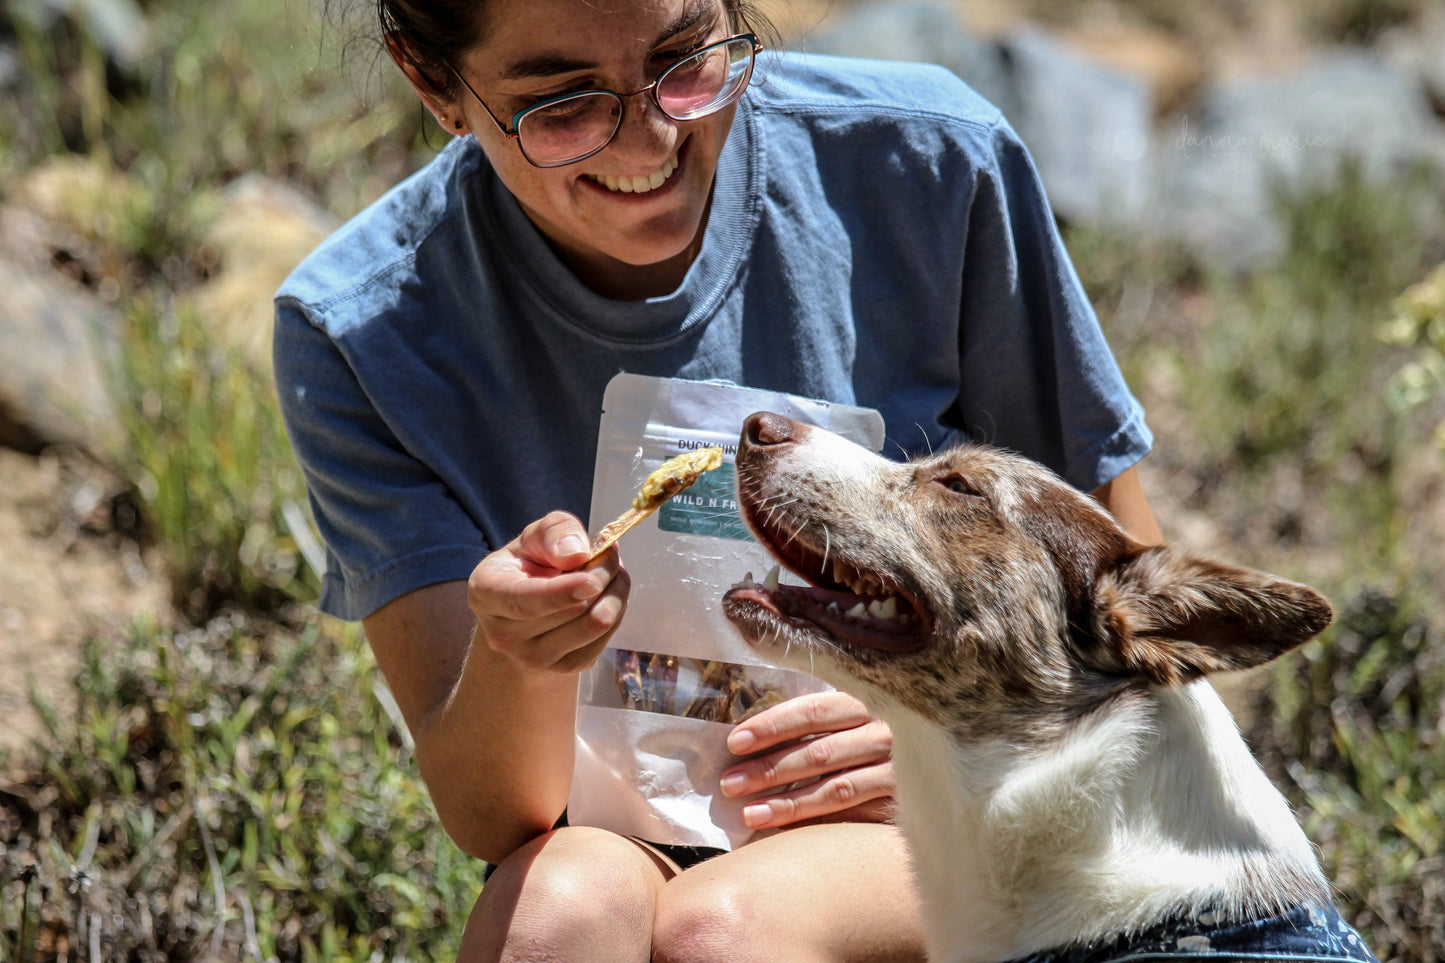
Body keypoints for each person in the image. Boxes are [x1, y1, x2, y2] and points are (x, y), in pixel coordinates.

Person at [272, 0, 1166, 959]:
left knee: (720, 933)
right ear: (432, 81)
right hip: (617, 833)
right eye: (564, 104)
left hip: (949, 814)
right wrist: (516, 653)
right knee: (552, 917)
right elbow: (495, 818)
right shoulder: (362, 330)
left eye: (684, 60)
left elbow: (1141, 636)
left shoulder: (930, 164)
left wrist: (951, 737)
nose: (651, 139)